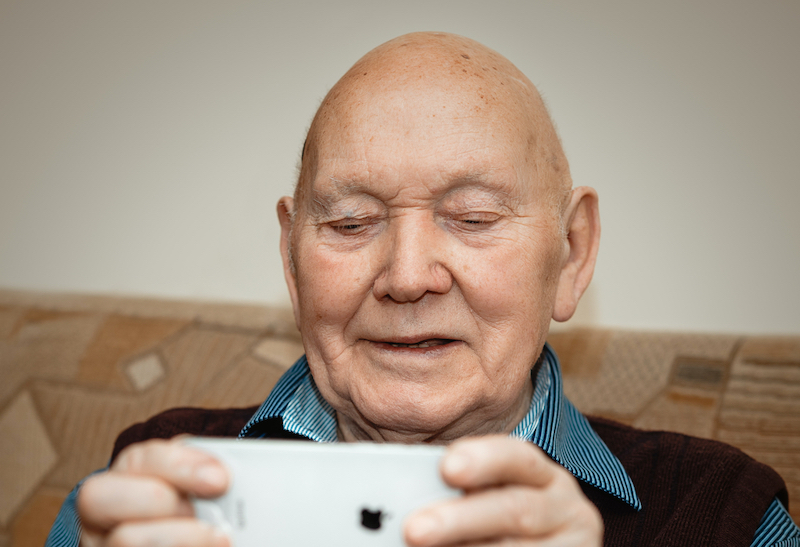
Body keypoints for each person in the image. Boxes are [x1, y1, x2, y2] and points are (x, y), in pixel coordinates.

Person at [47, 32, 798, 547]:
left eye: (472, 217)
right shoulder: (142, 484)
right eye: (348, 222)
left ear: (571, 253)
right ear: (291, 256)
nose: (408, 277)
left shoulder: (725, 514)